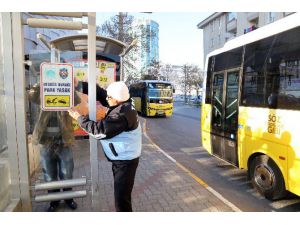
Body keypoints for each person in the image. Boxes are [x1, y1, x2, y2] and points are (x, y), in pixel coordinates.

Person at [68, 81, 141, 212]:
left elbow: (98, 131)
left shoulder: (122, 115)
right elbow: (101, 93)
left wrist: (78, 117)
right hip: (122, 159)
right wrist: (80, 84)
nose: (106, 99)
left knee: (122, 200)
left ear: (117, 99)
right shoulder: (124, 102)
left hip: (125, 162)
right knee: (121, 195)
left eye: (109, 97)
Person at [28, 83, 80, 212]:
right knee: (49, 174)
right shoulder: (44, 91)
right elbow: (31, 95)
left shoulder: (65, 91)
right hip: (46, 141)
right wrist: (42, 81)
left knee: (67, 173)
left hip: (64, 141)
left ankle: (69, 198)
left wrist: (70, 85)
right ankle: (54, 200)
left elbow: (77, 100)